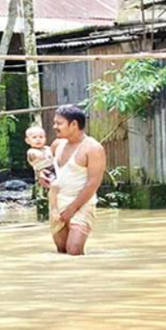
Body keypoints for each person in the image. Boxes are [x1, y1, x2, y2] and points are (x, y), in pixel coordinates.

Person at [39, 105, 106, 256]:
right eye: (55, 123)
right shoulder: (57, 145)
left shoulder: (93, 148)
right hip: (57, 204)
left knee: (74, 250)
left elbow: (93, 183)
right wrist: (42, 175)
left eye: (59, 123)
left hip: (81, 204)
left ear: (74, 124)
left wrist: (72, 208)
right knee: (62, 250)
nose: (54, 126)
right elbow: (49, 170)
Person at [25, 126, 59, 218]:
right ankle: (54, 207)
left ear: (45, 138)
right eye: (34, 137)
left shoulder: (47, 148)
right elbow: (35, 155)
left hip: (54, 168)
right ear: (28, 141)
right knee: (54, 187)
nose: (38, 140)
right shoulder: (31, 151)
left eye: (41, 137)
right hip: (46, 171)